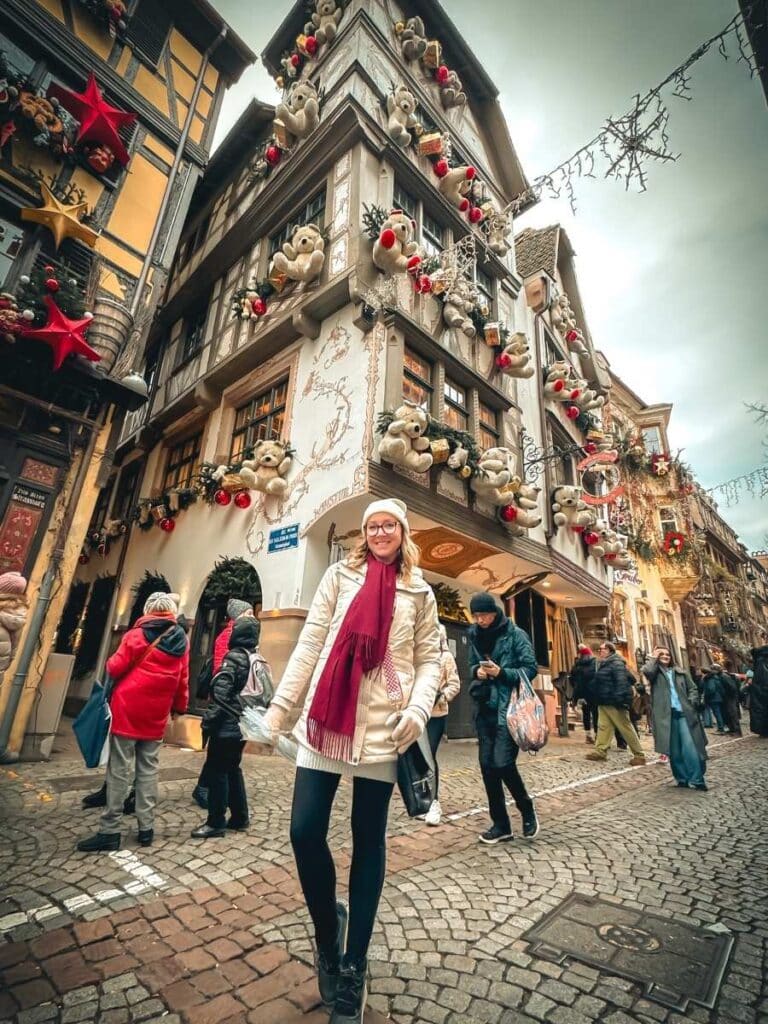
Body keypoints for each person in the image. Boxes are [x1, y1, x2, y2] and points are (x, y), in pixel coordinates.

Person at [261, 499, 441, 1024]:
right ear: (365, 533)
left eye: (390, 525)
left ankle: (354, 966)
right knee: (303, 831)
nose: (381, 531)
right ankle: (326, 934)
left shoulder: (420, 592)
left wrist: (418, 705)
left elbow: (429, 659)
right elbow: (311, 641)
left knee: (369, 841)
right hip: (325, 722)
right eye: (373, 525)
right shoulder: (340, 576)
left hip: (386, 730)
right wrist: (280, 707)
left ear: (403, 533)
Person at [77, 593, 189, 852]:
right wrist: (179, 708)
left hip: (128, 709)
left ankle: (110, 830)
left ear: (149, 609)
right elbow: (183, 679)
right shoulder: (181, 640)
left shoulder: (136, 635)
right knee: (148, 770)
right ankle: (146, 828)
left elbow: (114, 668)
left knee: (119, 769)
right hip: (156, 713)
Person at [468, 592, 539, 845]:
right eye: (475, 616)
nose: (480, 620)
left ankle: (526, 807)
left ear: (494, 612)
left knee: (502, 763)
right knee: (488, 769)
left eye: (483, 615)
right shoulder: (473, 634)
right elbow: (469, 668)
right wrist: (477, 671)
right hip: (484, 708)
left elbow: (530, 668)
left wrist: (502, 673)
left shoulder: (515, 634)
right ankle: (501, 825)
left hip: (509, 710)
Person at [191, 618, 259, 839]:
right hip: (243, 725)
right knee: (233, 769)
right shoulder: (254, 659)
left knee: (218, 772)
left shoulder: (233, 658)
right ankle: (240, 817)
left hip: (226, 726)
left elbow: (220, 696)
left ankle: (215, 822)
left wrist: (208, 722)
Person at [642, 647, 707, 790]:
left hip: (684, 714)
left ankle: (697, 779)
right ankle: (682, 779)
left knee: (690, 748)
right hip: (666, 717)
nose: (665, 656)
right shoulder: (655, 673)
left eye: (667, 654)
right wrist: (653, 658)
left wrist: (692, 701)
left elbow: (693, 688)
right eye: (661, 654)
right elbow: (647, 671)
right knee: (674, 750)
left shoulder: (680, 672)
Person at [423, 624, 461, 826]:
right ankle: (421, 800)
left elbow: (454, 684)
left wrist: (442, 696)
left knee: (429, 755)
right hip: (418, 713)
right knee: (416, 757)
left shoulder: (446, 658)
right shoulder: (418, 656)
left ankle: (434, 802)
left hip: (436, 714)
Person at [586, 642, 646, 766]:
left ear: (608, 650)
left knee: (625, 727)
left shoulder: (616, 664)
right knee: (603, 727)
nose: (599, 651)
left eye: (601, 649)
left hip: (614, 701)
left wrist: (620, 700)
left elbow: (622, 682)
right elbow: (630, 678)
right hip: (603, 701)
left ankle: (639, 755)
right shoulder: (605, 663)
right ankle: (600, 751)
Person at [570, 644, 598, 743]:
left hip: (581, 694)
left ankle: (588, 736)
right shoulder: (595, 663)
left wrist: (576, 691)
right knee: (596, 715)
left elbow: (572, 679)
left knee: (586, 714)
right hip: (594, 693)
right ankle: (597, 736)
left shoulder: (577, 665)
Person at [749, 646, 768, 736]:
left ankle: (764, 730)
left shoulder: (761, 662)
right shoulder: (763, 661)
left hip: (762, 691)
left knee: (761, 710)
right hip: (762, 690)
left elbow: (762, 679)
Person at [702, 666, 727, 733]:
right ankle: (722, 727)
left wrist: (707, 696)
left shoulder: (710, 679)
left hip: (713, 699)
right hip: (718, 698)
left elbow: (711, 689)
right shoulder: (716, 677)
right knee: (719, 713)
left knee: (717, 714)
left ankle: (721, 728)